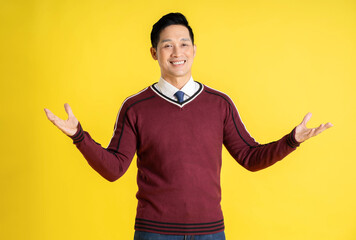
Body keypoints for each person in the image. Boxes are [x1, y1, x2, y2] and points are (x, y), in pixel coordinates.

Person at [44, 12, 333, 240]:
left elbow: (249, 157)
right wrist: (79, 136)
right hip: (153, 232)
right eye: (167, 45)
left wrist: (291, 141)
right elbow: (114, 168)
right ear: (154, 53)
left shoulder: (219, 104)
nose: (176, 51)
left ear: (194, 49)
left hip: (210, 232)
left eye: (183, 43)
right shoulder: (135, 107)